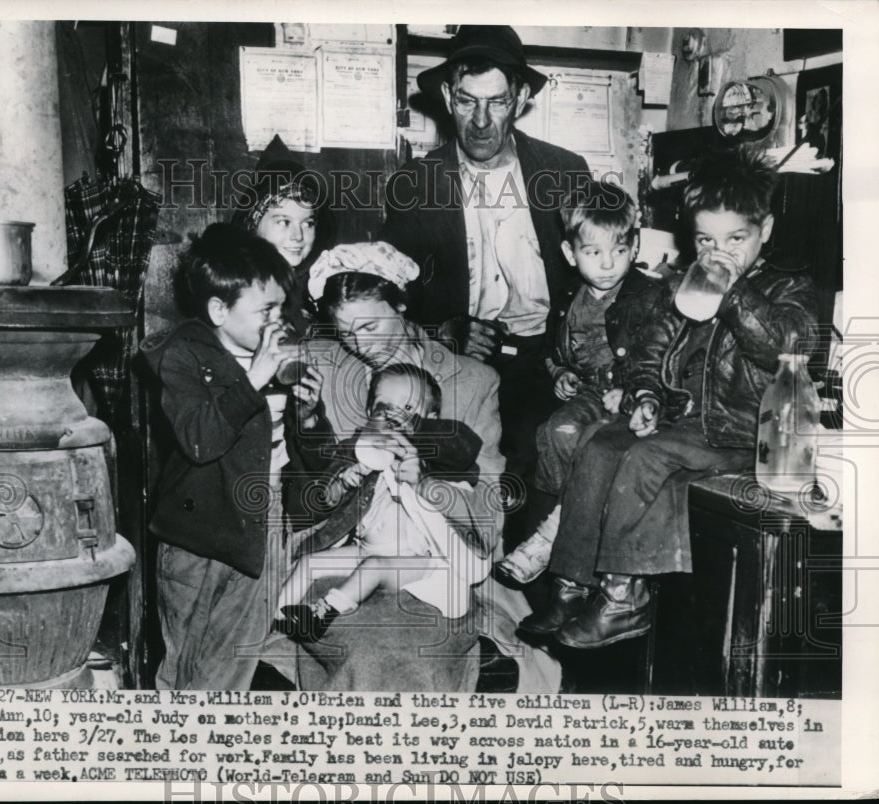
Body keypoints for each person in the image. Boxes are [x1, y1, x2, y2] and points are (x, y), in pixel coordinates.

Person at [527, 146, 818, 649]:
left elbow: (785, 348)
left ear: (764, 230)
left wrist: (732, 292)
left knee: (645, 455)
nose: (718, 252)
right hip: (682, 423)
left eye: (735, 239)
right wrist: (647, 396)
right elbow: (649, 354)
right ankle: (572, 584)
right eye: (705, 239)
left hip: (742, 432)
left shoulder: (790, 287)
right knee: (597, 446)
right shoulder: (677, 286)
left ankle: (623, 599)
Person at [288, 241, 562, 692]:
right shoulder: (323, 369)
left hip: (444, 563)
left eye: (372, 326)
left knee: (416, 651)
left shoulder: (471, 380)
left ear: (401, 302)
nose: (361, 345)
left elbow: (488, 516)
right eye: (346, 332)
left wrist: (427, 488)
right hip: (341, 559)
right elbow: (306, 500)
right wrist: (308, 426)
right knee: (367, 647)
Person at [379, 25, 591, 494]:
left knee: (549, 459)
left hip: (549, 361)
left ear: (518, 99)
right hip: (461, 362)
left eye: (496, 102)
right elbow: (390, 296)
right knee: (456, 468)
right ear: (446, 95)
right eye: (466, 100)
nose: (480, 120)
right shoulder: (416, 184)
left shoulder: (565, 172)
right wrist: (443, 329)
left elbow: (596, 275)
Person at [141, 223, 326, 689]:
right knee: (186, 667)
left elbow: (304, 454)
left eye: (282, 306)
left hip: (264, 523)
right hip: (199, 534)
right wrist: (254, 378)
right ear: (219, 310)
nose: (279, 320)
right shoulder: (183, 356)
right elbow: (201, 441)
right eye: (266, 310)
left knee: (234, 664)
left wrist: (308, 416)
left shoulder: (279, 357)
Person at [494, 181, 662, 588]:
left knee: (590, 445)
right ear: (571, 254)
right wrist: (559, 373)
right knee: (555, 432)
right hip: (589, 391)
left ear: (634, 249)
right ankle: (560, 516)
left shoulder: (647, 296)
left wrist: (632, 388)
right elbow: (554, 349)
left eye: (619, 251)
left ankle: (555, 535)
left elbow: (660, 355)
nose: (608, 264)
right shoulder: (569, 295)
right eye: (593, 252)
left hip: (632, 399)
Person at [275, 363, 488, 643]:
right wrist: (344, 482)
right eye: (382, 407)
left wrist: (418, 442)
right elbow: (324, 492)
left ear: (432, 418)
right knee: (310, 562)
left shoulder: (436, 455)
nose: (392, 416)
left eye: (409, 409)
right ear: (368, 413)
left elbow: (465, 447)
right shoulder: (361, 448)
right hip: (365, 548)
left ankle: (324, 612)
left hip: (418, 561)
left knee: (374, 567)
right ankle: (279, 617)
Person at [233, 134, 335, 332]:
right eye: (283, 222)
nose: (297, 236)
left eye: (308, 223)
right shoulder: (236, 286)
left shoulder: (323, 281)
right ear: (253, 224)